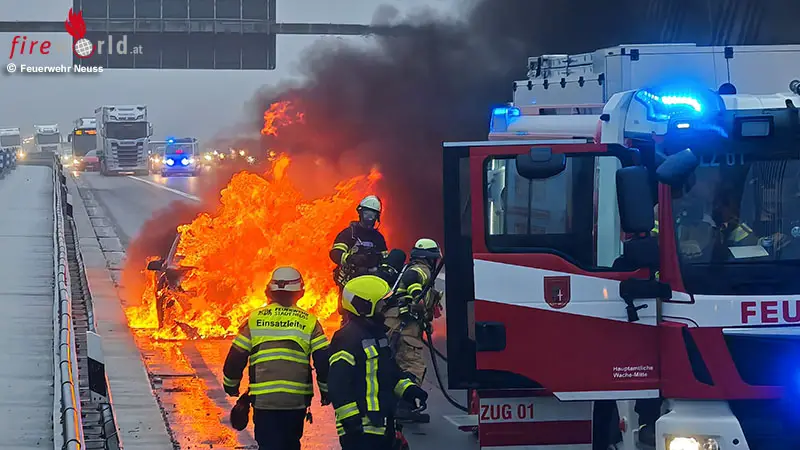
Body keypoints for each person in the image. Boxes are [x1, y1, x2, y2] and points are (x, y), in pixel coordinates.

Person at [221, 266, 330, 450]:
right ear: (300, 293)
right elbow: (323, 361)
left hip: (265, 402)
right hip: (295, 402)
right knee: (290, 444)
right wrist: (326, 392)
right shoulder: (310, 321)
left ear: (269, 291)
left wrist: (231, 386)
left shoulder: (254, 320)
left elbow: (236, 357)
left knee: (268, 444)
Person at [327, 275, 428, 450]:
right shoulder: (347, 338)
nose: (384, 308)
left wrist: (409, 390)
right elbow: (339, 385)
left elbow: (389, 373)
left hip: (383, 424)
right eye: (381, 304)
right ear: (365, 306)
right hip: (361, 429)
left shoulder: (378, 335)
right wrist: (351, 422)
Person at [384, 238, 442, 423]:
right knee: (413, 366)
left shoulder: (412, 268)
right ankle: (404, 406)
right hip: (404, 327)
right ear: (428, 258)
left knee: (398, 366)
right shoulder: (420, 269)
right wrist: (417, 297)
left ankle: (396, 405)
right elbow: (413, 279)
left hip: (399, 324)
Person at [330, 195, 389, 323]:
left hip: (370, 283)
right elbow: (335, 253)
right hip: (349, 282)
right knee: (348, 315)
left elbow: (385, 260)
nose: (369, 218)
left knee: (371, 315)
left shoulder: (378, 238)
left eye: (372, 215)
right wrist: (352, 259)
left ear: (377, 217)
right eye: (367, 214)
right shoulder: (349, 234)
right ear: (360, 213)